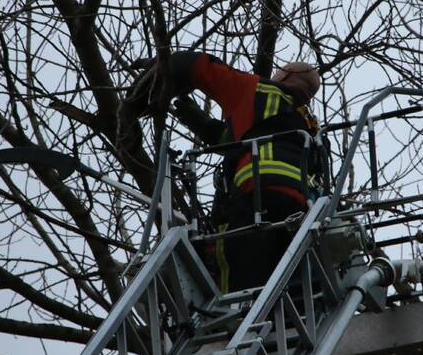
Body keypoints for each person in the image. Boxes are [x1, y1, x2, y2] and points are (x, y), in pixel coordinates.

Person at [129, 51, 321, 292]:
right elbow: (237, 141)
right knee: (277, 286)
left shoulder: (259, 90)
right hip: (298, 211)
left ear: (289, 74)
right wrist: (200, 121)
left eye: (280, 70)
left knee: (235, 276)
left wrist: (158, 68)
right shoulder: (307, 128)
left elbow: (196, 65)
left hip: (256, 197)